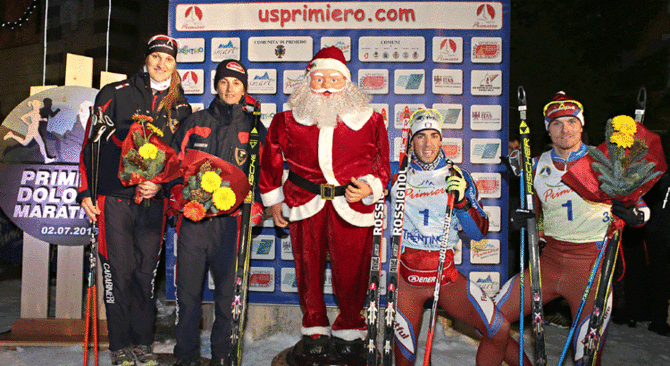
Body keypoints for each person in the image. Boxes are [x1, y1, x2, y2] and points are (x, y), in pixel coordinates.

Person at [494, 91, 650, 365]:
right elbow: (532, 213)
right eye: (556, 123)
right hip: (548, 263)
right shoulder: (536, 165)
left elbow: (641, 206)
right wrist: (517, 220)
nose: (564, 129)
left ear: (581, 125)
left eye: (571, 121)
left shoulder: (605, 162)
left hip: (591, 267)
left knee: (586, 356)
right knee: (489, 319)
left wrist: (636, 215)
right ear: (548, 130)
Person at [259, 46, 390, 364]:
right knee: (307, 269)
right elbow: (270, 159)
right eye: (319, 78)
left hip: (351, 206)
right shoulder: (287, 119)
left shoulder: (370, 120)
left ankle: (349, 328)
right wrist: (273, 199)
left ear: (347, 82)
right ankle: (315, 328)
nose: (327, 85)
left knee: (351, 273)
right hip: (305, 202)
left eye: (334, 78)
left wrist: (371, 187)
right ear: (308, 82)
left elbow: (382, 164)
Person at [78, 34, 191, 366]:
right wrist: (85, 192)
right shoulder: (115, 93)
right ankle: (119, 345)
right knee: (119, 272)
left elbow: (183, 160)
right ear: (146, 60)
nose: (161, 64)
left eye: (168, 59)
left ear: (175, 65)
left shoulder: (180, 106)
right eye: (156, 57)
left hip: (152, 202)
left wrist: (160, 184)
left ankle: (143, 342)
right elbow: (89, 146)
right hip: (114, 198)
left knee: (145, 274)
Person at [390, 109, 524, 366]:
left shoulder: (458, 175)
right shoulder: (396, 173)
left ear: (441, 140)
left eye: (433, 136)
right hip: (408, 280)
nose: (427, 143)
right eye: (420, 137)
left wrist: (462, 202)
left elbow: (477, 233)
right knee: (404, 359)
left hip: (446, 276)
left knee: (499, 328)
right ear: (410, 140)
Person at [169, 59, 266, 366]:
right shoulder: (195, 120)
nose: (230, 88)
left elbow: (263, 172)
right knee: (187, 296)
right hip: (194, 223)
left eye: (236, 83)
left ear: (244, 89)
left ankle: (222, 356)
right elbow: (173, 165)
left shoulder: (253, 127)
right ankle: (186, 356)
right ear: (216, 85)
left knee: (228, 297)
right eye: (224, 82)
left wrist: (259, 203)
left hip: (231, 224)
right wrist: (179, 200)